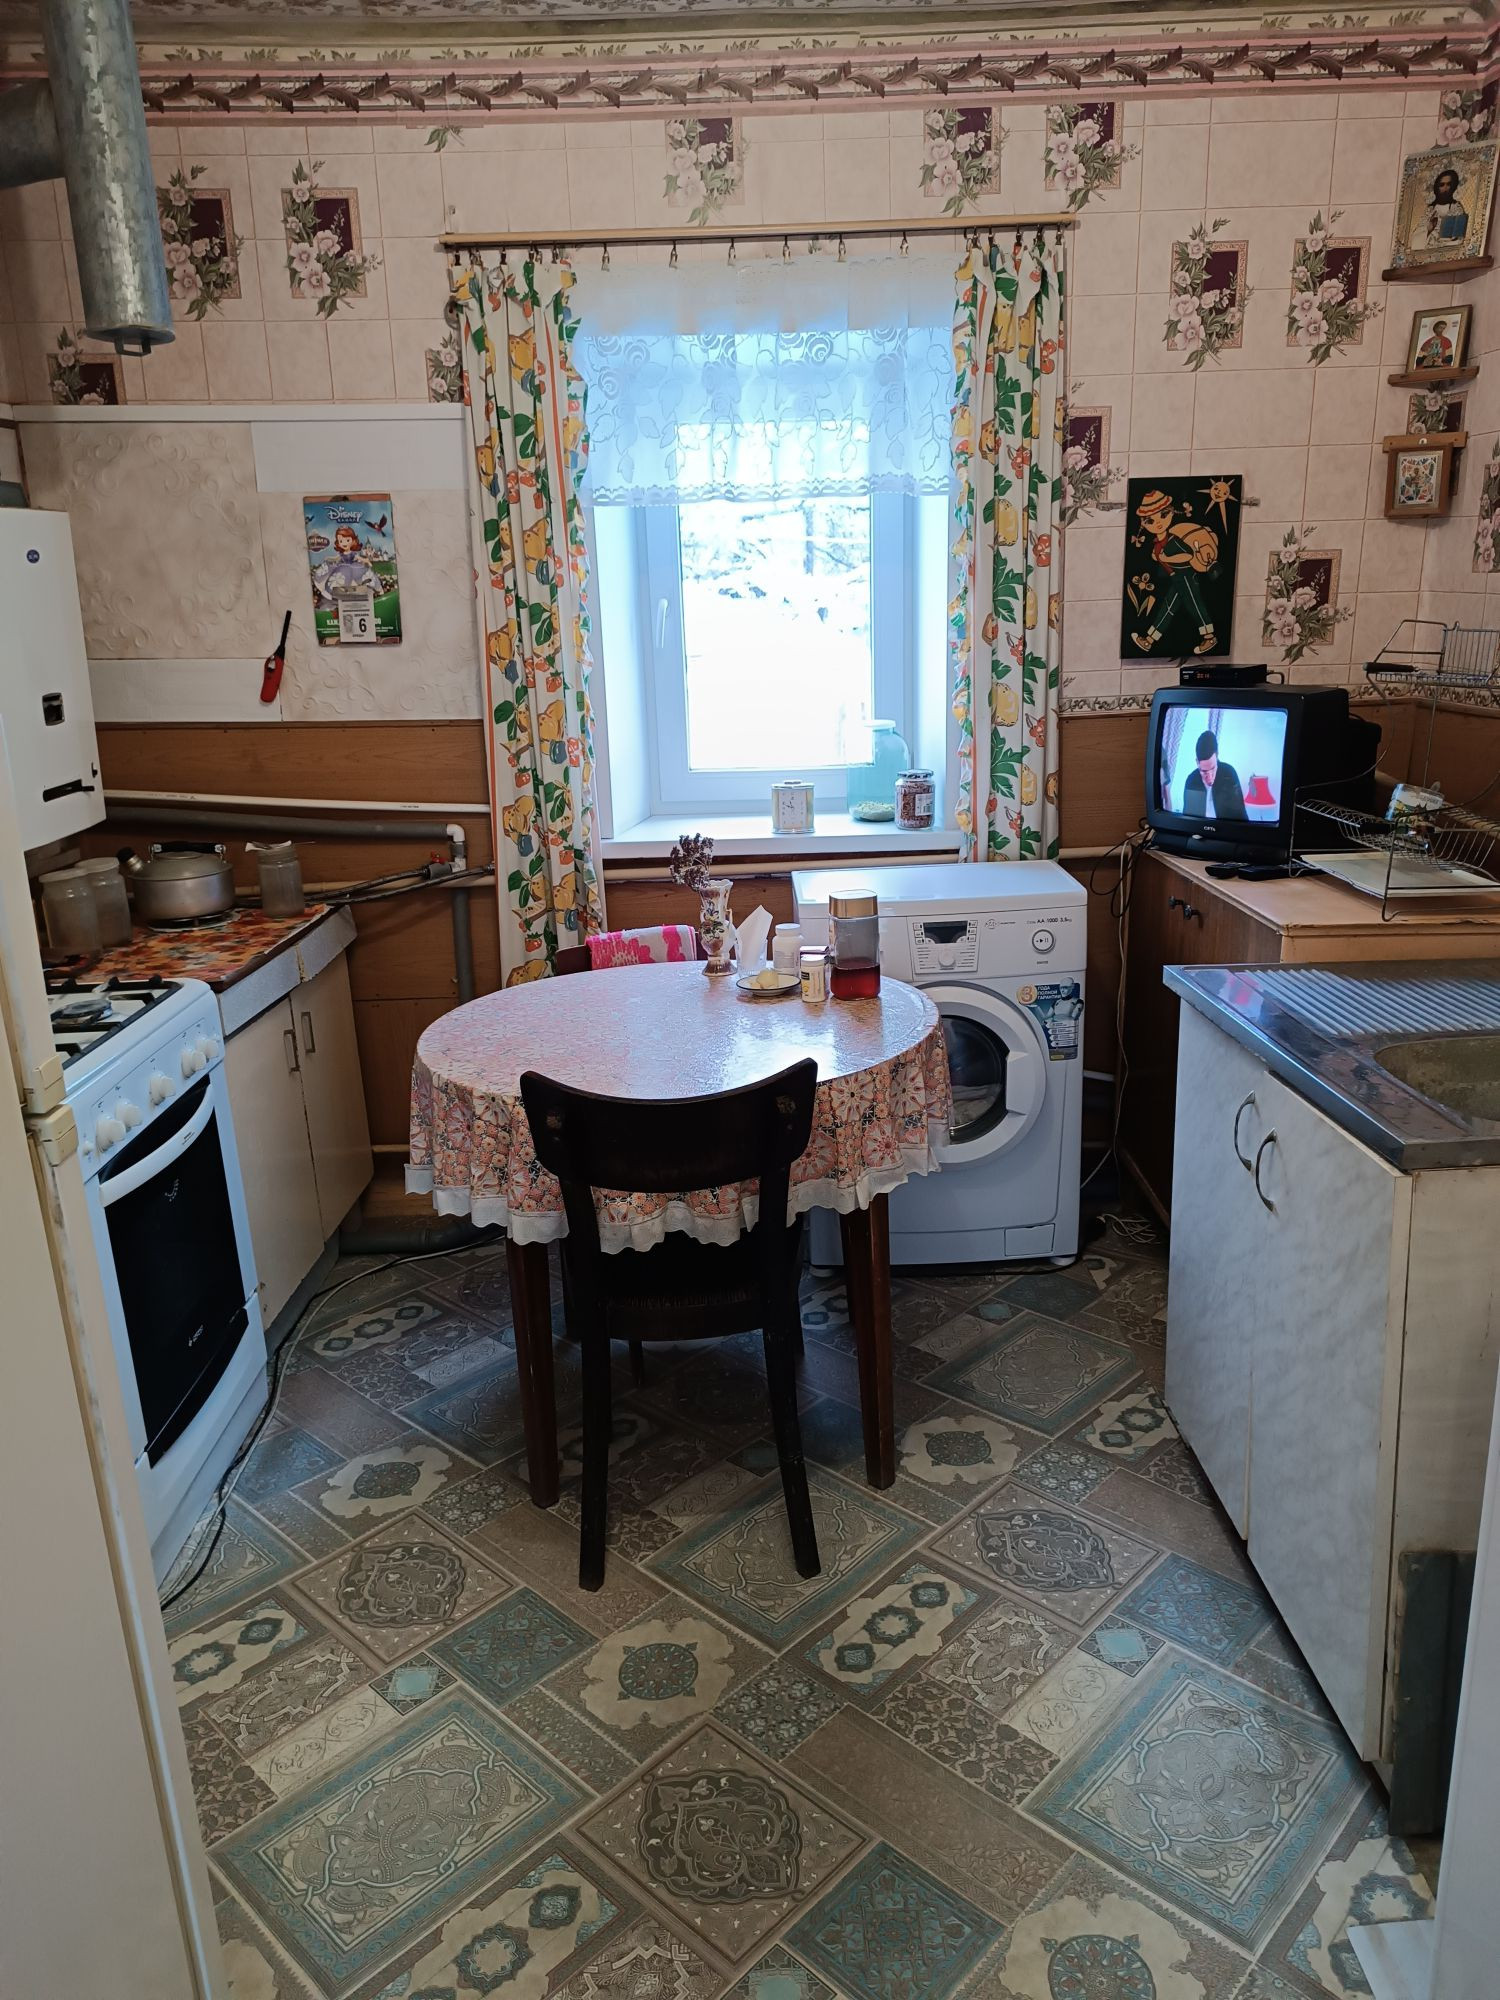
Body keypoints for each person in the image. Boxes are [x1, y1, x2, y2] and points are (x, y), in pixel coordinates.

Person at [1126, 489, 1222, 656]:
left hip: (1186, 576)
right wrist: (1158, 556)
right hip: (1176, 578)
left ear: (1171, 513)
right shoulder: (1158, 542)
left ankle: (1209, 637)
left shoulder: (1174, 539)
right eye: (1150, 521)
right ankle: (1149, 640)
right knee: (1168, 608)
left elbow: (1188, 555)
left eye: (1163, 515)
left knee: (1194, 604)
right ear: (1144, 524)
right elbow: (1159, 555)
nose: (1157, 523)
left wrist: (1167, 558)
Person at [1182, 729, 1247, 821]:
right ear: (1197, 762)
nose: (1210, 778)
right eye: (1204, 771)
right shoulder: (1191, 780)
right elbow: (1188, 819)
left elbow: (1240, 814)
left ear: (1217, 756)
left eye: (1213, 769)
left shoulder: (1229, 773)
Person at [1424, 166, 1470, 246]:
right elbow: (1418, 235)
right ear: (1437, 187)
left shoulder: (1456, 208)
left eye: (1448, 184)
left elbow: (1459, 238)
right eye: (1442, 185)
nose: (1445, 188)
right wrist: (1428, 230)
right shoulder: (1430, 209)